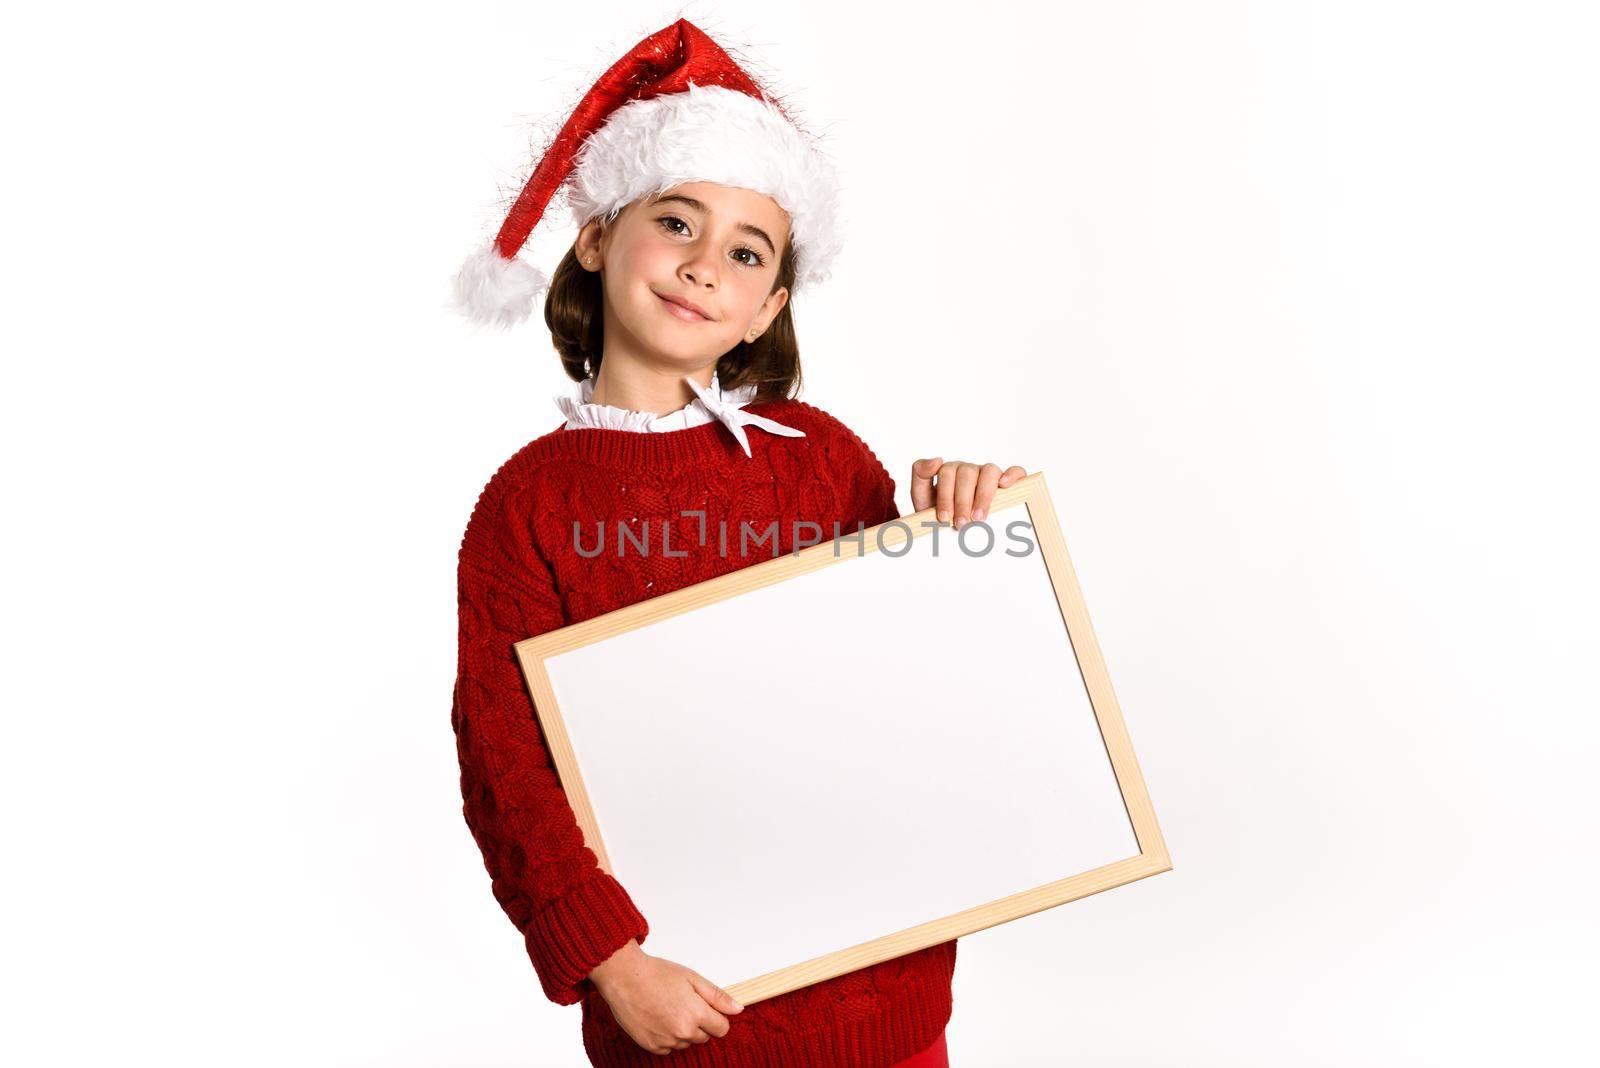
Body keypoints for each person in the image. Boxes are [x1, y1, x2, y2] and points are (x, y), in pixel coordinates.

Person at [450, 19, 1025, 1067]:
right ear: (595, 239)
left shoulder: (820, 458)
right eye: (676, 223)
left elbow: (908, 676)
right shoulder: (526, 507)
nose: (703, 266)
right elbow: (507, 765)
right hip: (685, 1020)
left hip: (884, 1006)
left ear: (767, 309)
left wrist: (962, 523)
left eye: (746, 252)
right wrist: (613, 963)